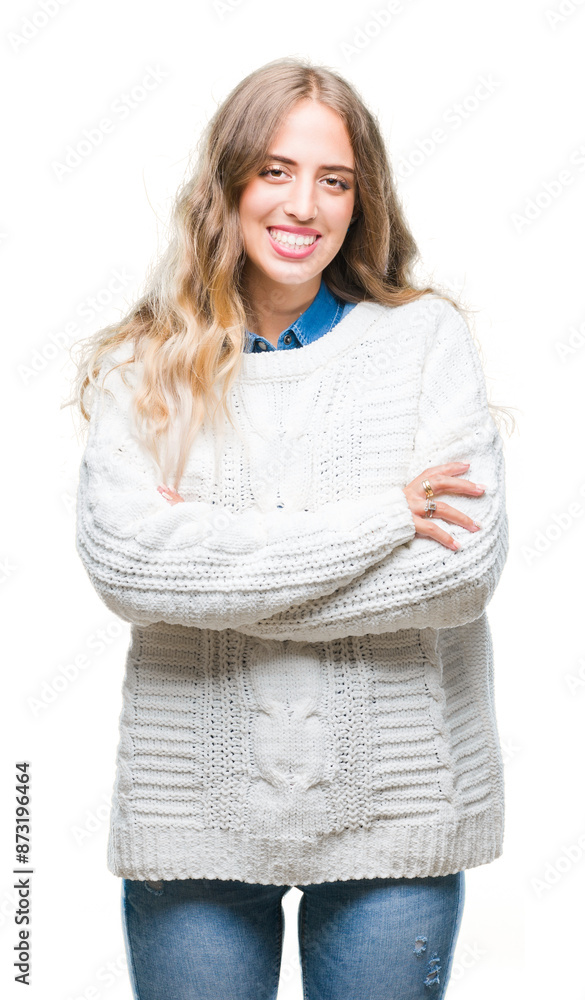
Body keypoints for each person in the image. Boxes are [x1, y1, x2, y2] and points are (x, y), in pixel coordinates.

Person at [69, 56, 511, 1000]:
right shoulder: (146, 364)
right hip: (192, 812)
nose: (302, 203)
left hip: (396, 812)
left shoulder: (423, 341)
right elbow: (126, 567)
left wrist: (215, 569)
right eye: (275, 170)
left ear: (361, 201)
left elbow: (462, 569)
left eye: (333, 179)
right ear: (227, 183)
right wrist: (386, 519)